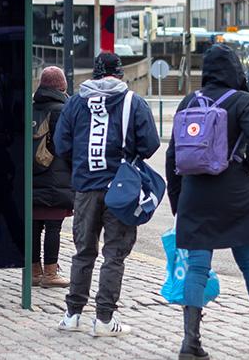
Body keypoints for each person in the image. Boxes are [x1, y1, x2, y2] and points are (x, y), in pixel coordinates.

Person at [166, 44, 249, 359]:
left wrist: (178, 200)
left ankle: (190, 343)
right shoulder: (242, 100)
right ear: (235, 68)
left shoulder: (188, 101)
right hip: (235, 192)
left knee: (197, 266)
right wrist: (248, 167)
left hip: (195, 193)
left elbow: (173, 155)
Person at [53, 52, 160, 337]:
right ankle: (103, 319)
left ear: (95, 74)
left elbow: (60, 145)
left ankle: (72, 314)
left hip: (85, 189)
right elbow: (150, 143)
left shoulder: (76, 102)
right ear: (120, 74)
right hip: (120, 191)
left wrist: (80, 166)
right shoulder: (132, 102)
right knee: (114, 254)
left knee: (83, 252)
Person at [32, 66, 74, 288]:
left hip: (32, 179)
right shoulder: (62, 110)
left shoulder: (30, 109)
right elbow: (67, 147)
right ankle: (50, 273)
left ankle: (34, 271)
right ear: (61, 86)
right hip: (55, 178)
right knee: (53, 226)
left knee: (34, 225)